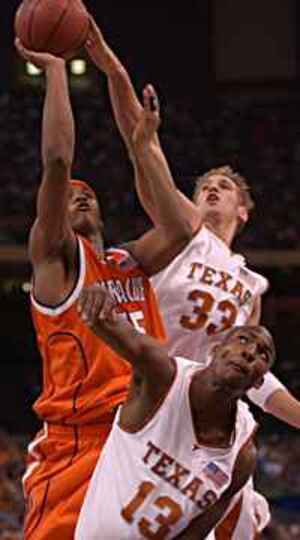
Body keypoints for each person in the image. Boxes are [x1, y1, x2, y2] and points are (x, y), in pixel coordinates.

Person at [83, 18, 300, 536]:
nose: (211, 190)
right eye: (204, 184)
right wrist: (112, 67)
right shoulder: (185, 232)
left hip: (206, 413)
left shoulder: (251, 287)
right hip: (149, 395)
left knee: (242, 518)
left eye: (224, 186)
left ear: (243, 211)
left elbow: (255, 375)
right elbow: (144, 148)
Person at [15, 37, 192, 540]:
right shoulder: (58, 262)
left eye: (89, 194)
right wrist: (54, 70)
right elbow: (56, 163)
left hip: (147, 432)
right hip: (81, 441)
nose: (81, 196)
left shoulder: (128, 261)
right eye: (71, 197)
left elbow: (180, 229)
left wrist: (143, 147)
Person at [75, 283, 275, 540]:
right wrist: (94, 296)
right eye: (243, 340)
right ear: (214, 351)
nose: (249, 352)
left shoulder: (242, 456)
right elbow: (107, 323)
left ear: (259, 382)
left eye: (262, 354)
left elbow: (198, 532)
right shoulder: (163, 378)